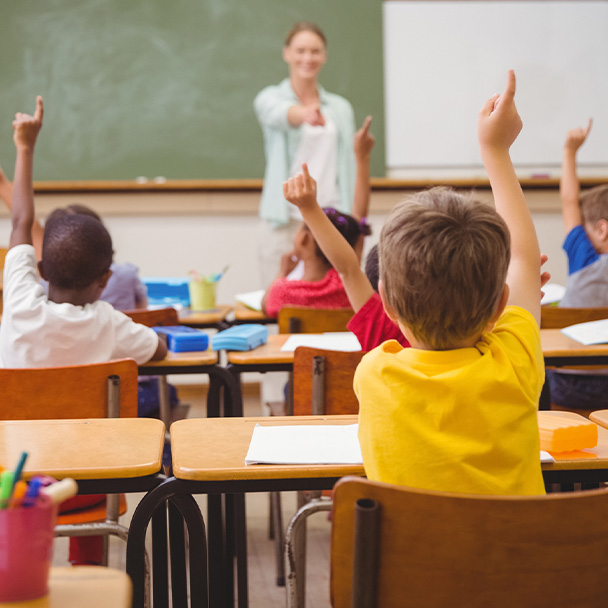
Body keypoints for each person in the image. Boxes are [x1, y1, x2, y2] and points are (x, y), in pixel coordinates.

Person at [354, 71, 546, 496]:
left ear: (385, 299)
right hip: (523, 564)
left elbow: (523, 265)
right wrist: (495, 151)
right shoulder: (514, 362)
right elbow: (526, 262)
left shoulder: (375, 373)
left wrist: (492, 146)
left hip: (413, 566)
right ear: (500, 305)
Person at [1, 96, 167, 564]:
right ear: (106, 280)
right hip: (88, 487)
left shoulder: (17, 304)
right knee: (89, 460)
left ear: (39, 267)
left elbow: (19, 220)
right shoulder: (109, 323)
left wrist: (25, 147)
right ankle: (89, 572)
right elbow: (157, 350)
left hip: (14, 483)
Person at [254, 21, 356, 288]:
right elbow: (278, 113)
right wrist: (304, 114)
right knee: (279, 300)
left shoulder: (340, 109)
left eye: (315, 51)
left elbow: (349, 168)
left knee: (330, 303)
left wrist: (355, 220)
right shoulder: (269, 98)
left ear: (324, 55)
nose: (307, 58)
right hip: (284, 219)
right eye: (300, 50)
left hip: (329, 219)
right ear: (286, 53)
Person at [261, 116, 374, 318]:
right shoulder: (348, 287)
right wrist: (362, 158)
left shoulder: (284, 292)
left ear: (304, 239)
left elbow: (265, 306)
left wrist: (282, 273)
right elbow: (359, 219)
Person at [0, 175, 148, 311]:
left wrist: (24, 153)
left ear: (44, 270)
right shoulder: (126, 276)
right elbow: (144, 316)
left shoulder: (40, 293)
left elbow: (25, 224)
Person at [547, 119, 608, 410]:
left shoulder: (585, 258)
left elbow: (570, 200)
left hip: (573, 384)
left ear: (602, 230)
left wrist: (570, 151)